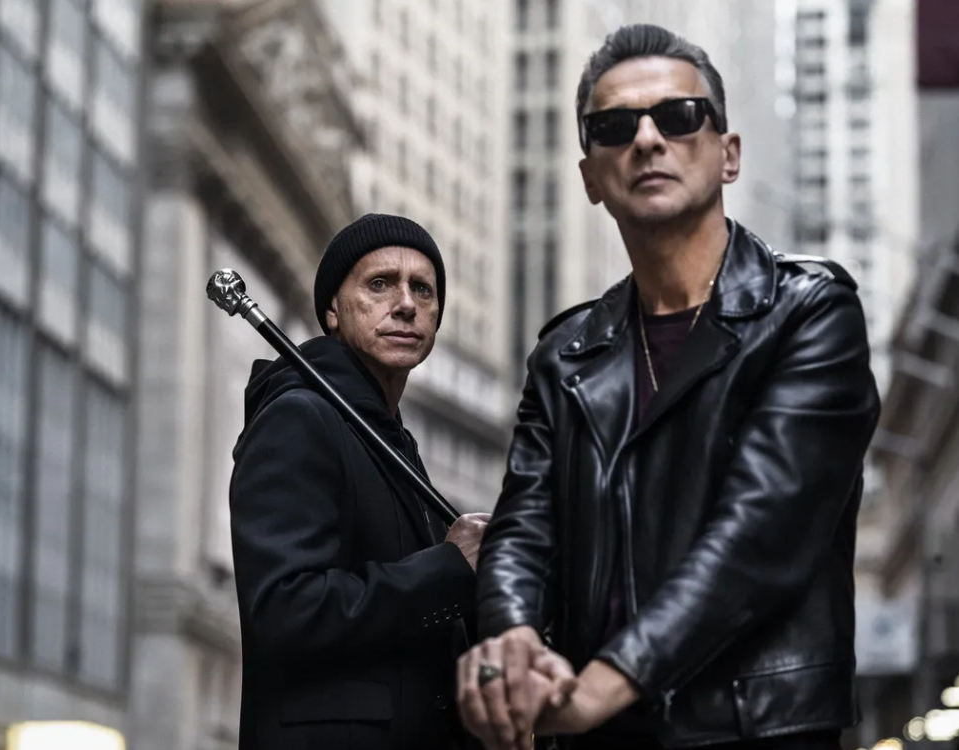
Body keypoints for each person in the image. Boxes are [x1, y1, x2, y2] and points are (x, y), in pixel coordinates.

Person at [456, 24, 881, 750]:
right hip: (597, 735)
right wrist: (513, 642)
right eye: (614, 127)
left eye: (679, 117)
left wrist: (601, 686)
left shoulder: (809, 312)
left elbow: (760, 534)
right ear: (590, 177)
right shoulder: (565, 355)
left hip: (759, 729)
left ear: (729, 153)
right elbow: (525, 531)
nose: (647, 139)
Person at [230, 213, 490, 750]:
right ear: (333, 310)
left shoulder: (393, 440)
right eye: (380, 284)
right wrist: (450, 567)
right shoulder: (299, 418)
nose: (406, 303)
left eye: (423, 289)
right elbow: (284, 609)